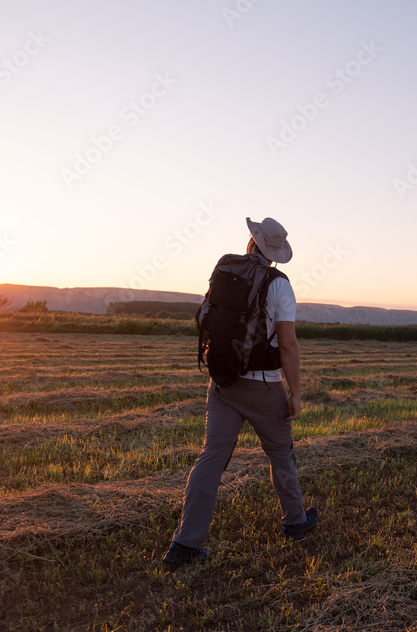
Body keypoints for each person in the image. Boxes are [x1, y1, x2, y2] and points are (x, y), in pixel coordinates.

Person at [162, 216, 317, 569]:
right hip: (262, 385)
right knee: (280, 453)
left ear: (251, 242)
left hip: (222, 382)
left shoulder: (225, 268)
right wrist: (295, 392)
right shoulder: (279, 285)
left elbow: (203, 316)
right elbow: (289, 345)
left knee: (211, 458)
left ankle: (185, 544)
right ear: (274, 254)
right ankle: (295, 522)